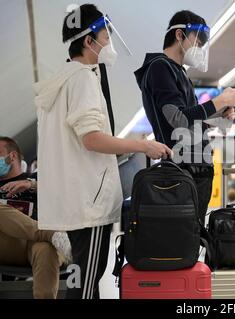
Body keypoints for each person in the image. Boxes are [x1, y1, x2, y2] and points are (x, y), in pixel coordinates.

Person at [34, 4, 171, 299]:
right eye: (105, 35)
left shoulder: (60, 80)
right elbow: (92, 139)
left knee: (81, 283)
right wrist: (142, 145)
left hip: (71, 201)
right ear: (88, 41)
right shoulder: (83, 78)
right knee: (86, 285)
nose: (109, 42)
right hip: (88, 204)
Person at [134, 10, 235, 224]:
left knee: (191, 239)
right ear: (179, 35)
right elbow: (178, 120)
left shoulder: (179, 73)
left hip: (195, 170)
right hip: (181, 171)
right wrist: (219, 101)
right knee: (182, 240)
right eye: (198, 40)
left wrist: (219, 117)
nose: (201, 47)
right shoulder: (160, 67)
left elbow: (190, 123)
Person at [0, 137, 71, 299]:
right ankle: (50, 233)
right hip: (8, 245)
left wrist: (32, 185)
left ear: (12, 157)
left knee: (46, 250)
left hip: (37, 246)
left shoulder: (37, 180)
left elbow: (67, 198)